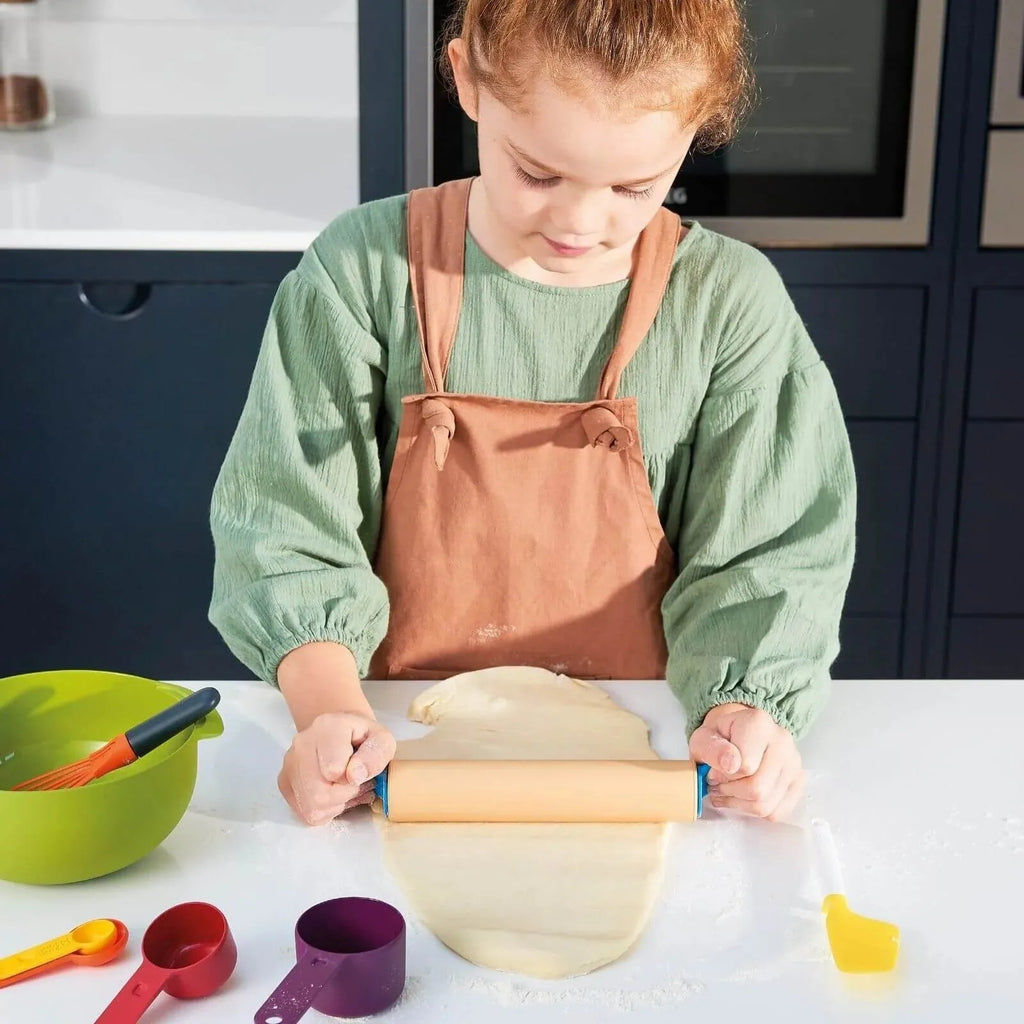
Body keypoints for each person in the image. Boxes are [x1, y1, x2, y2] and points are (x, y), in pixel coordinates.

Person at [209, 0, 855, 829]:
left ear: (695, 132)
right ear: (468, 81)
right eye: (539, 173)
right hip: (395, 740)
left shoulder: (728, 304)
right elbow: (285, 525)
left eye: (635, 186)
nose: (582, 222)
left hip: (646, 745)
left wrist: (746, 715)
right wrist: (329, 713)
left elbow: (772, 555)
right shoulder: (363, 272)